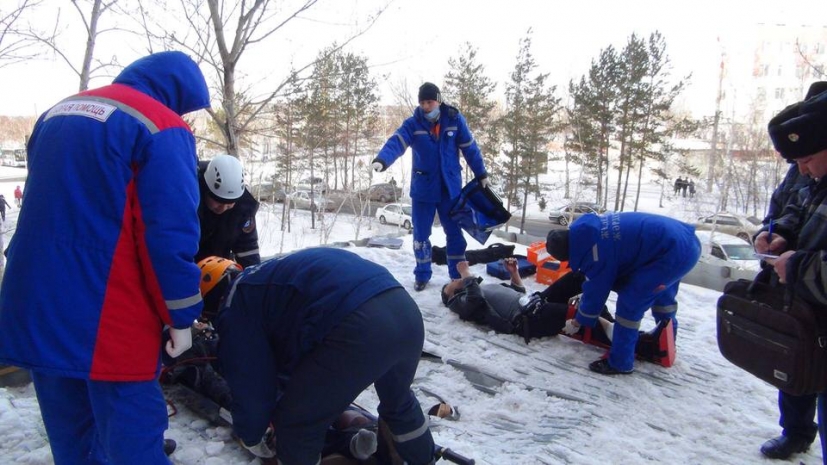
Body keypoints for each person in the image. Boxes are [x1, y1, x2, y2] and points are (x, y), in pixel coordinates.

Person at [0, 51, 209, 464]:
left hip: (36, 301)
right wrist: (181, 315)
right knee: (134, 440)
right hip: (108, 311)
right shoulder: (160, 125)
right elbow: (167, 237)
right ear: (178, 95)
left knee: (71, 436)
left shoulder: (56, 114)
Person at [199, 249, 435, 464]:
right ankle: (423, 459)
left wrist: (251, 435)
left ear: (211, 303)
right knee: (399, 402)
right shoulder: (267, 276)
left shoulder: (236, 303)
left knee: (296, 424)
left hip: (359, 325)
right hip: (405, 313)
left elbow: (251, 381)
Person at [755, 80, 827, 462]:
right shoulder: (813, 171)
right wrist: (778, 233)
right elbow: (793, 204)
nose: (802, 171)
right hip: (807, 304)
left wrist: (799, 265)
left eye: (805, 161)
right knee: (796, 370)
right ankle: (796, 431)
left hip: (811, 288)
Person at [545, 211, 701, 375]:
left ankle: (620, 362)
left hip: (670, 253)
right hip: (683, 240)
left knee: (630, 303)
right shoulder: (588, 231)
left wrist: (578, 322)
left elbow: (596, 291)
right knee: (664, 298)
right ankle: (666, 342)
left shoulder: (594, 252)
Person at [372, 82, 489, 291]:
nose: (426, 106)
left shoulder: (454, 120)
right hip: (423, 190)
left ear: (438, 101)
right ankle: (422, 274)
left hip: (449, 189)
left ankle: (458, 275)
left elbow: (470, 148)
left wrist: (481, 173)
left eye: (430, 102)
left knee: (454, 233)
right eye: (423, 102)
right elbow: (396, 142)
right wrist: (383, 159)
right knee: (421, 234)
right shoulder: (413, 124)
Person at [195, 154, 261, 268]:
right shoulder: (189, 201)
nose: (223, 208)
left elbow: (248, 248)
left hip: (218, 269)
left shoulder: (243, 209)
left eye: (230, 203)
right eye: (218, 201)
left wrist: (252, 277)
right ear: (206, 191)